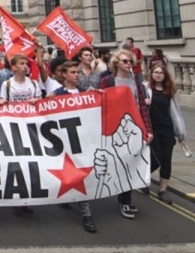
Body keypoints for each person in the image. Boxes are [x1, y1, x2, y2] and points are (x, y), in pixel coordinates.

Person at [99, 49, 153, 219]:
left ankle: (125, 200)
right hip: (115, 129)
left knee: (130, 164)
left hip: (134, 128)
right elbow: (101, 106)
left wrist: (148, 129)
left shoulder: (136, 81)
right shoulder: (107, 81)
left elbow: (141, 107)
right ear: (116, 63)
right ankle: (123, 199)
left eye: (130, 61)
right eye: (125, 61)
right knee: (120, 163)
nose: (129, 64)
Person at [52, 61, 99, 233]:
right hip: (64, 143)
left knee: (81, 177)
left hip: (82, 143)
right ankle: (68, 195)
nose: (77, 75)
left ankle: (86, 215)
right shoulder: (56, 95)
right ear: (64, 75)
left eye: (78, 72)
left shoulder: (85, 94)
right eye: (73, 72)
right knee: (67, 173)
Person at [145, 63, 185, 204]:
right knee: (157, 158)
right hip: (152, 129)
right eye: (155, 72)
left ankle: (162, 190)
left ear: (165, 75)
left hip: (167, 129)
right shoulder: (146, 89)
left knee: (166, 160)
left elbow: (177, 114)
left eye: (161, 73)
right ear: (151, 74)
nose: (158, 74)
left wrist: (180, 134)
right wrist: (145, 103)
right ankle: (144, 178)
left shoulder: (170, 91)